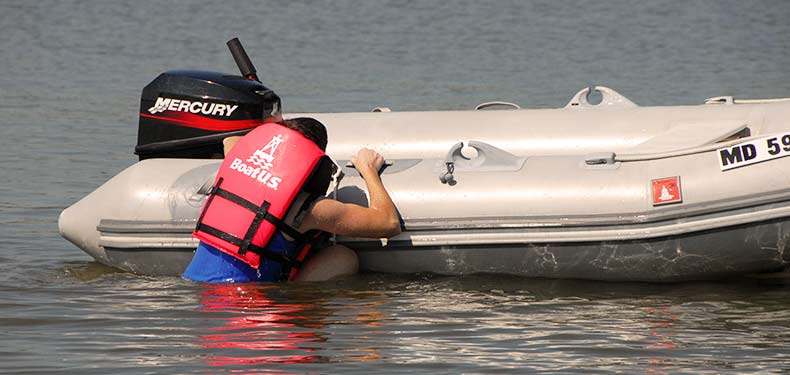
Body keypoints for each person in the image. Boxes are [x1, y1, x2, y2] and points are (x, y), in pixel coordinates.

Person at [183, 117, 400, 283]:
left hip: (198, 290)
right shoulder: (308, 209)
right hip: (249, 304)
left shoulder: (234, 169)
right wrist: (369, 169)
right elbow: (388, 223)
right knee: (343, 257)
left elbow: (230, 140)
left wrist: (272, 129)